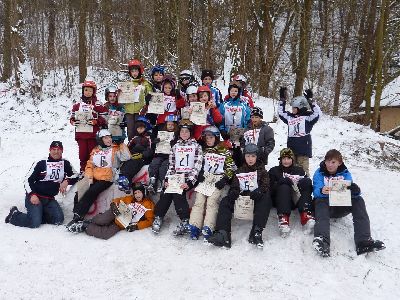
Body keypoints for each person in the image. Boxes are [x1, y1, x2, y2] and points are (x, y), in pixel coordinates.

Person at [312, 149, 385, 257]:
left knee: (358, 200)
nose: (330, 165)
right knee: (320, 201)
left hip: (340, 205)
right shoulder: (319, 173)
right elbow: (316, 191)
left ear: (339, 163)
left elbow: (350, 190)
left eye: (333, 162)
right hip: (324, 206)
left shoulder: (345, 173)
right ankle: (322, 240)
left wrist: (355, 191)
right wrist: (321, 190)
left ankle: (363, 241)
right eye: (328, 161)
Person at [207, 144, 272, 249]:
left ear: (257, 157)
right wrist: (234, 192)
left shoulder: (262, 171)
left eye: (253, 156)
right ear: (244, 157)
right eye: (248, 156)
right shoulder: (240, 170)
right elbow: (235, 185)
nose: (250, 159)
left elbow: (266, 185)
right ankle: (223, 234)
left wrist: (260, 190)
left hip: (255, 201)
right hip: (241, 201)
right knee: (225, 201)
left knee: (266, 198)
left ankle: (257, 231)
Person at [66, 129, 131, 231]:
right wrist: (89, 177)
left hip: (107, 178)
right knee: (79, 192)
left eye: (109, 137)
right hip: (94, 177)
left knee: (91, 192)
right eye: (105, 138)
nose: (109, 139)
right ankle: (76, 217)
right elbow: (89, 165)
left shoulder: (115, 148)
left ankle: (79, 217)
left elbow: (126, 157)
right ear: (100, 140)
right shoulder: (95, 150)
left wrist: (121, 144)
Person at [5, 141, 79, 228]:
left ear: (62, 151)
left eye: (58, 149)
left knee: (58, 220)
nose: (56, 152)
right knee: (34, 223)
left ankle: (38, 214)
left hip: (50, 199)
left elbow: (76, 175)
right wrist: (32, 195)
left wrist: (67, 181)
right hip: (36, 197)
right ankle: (14, 215)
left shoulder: (65, 163)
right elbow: (28, 180)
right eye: (53, 149)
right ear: (49, 150)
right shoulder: (41, 162)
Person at [151, 119, 203, 235]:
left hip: (190, 176)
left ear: (190, 133)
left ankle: (185, 220)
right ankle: (159, 216)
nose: (184, 134)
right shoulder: (175, 146)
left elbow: (197, 167)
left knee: (178, 192)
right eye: (182, 132)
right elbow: (171, 165)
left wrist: (189, 182)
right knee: (167, 190)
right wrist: (167, 179)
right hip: (176, 176)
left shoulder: (197, 146)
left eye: (187, 132)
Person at [188, 126, 235, 240]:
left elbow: (231, 167)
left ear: (216, 138)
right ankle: (194, 225)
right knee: (199, 201)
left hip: (217, 179)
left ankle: (208, 226)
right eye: (206, 137)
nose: (208, 139)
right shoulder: (203, 151)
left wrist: (225, 179)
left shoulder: (224, 151)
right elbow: (198, 164)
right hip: (205, 178)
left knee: (212, 202)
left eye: (211, 137)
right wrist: (199, 174)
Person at [67, 183, 154, 239]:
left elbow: (149, 221)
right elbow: (116, 200)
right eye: (135, 193)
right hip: (116, 212)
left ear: (143, 193)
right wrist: (113, 205)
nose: (137, 195)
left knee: (106, 234)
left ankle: (85, 226)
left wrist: (136, 226)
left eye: (139, 192)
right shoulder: (129, 198)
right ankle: (90, 221)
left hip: (122, 223)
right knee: (102, 220)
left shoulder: (148, 205)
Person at [268, 148, 314, 237]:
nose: (286, 161)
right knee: (284, 187)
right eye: (284, 159)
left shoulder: (299, 170)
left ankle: (305, 214)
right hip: (280, 200)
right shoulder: (274, 171)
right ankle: (283, 219)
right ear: (280, 160)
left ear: (292, 159)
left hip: (296, 200)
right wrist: (279, 183)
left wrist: (301, 182)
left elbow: (308, 188)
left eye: (288, 158)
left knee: (307, 181)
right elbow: (269, 189)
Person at [278, 87, 321, 176]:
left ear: (301, 108)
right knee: (290, 172)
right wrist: (282, 99)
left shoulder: (308, 118)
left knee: (303, 172)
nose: (292, 110)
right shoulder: (290, 117)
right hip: (291, 150)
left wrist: (311, 101)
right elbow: (281, 113)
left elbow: (318, 114)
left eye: (294, 108)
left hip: (303, 151)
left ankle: (305, 187)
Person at [70, 79, 108, 172]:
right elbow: (72, 117)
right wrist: (73, 122)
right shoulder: (77, 105)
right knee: (82, 155)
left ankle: (94, 172)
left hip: (93, 135)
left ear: (93, 92)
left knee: (93, 155)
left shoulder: (97, 104)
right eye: (86, 90)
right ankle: (83, 172)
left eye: (90, 90)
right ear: (83, 90)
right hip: (81, 135)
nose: (88, 92)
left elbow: (105, 117)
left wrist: (96, 121)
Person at [118, 116, 153, 193]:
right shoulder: (134, 138)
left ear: (145, 128)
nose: (140, 130)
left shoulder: (149, 137)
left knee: (133, 164)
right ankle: (124, 181)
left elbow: (150, 150)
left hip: (142, 158)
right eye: (138, 128)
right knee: (126, 164)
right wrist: (127, 153)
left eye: (142, 128)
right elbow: (128, 147)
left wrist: (142, 155)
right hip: (133, 156)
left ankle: (126, 182)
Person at [147, 114, 179, 193]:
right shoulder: (161, 133)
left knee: (163, 167)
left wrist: (173, 143)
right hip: (160, 154)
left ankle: (162, 183)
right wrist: (156, 141)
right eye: (168, 124)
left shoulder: (177, 135)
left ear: (175, 125)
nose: (170, 126)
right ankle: (152, 182)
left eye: (172, 125)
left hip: (170, 156)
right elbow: (153, 144)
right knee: (154, 164)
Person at [123, 59, 152, 141]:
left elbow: (150, 96)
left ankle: (140, 147)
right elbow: (121, 97)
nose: (134, 73)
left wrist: (148, 97)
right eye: (132, 71)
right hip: (129, 111)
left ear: (140, 71)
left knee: (139, 130)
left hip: (140, 110)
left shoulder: (145, 83)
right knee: (130, 131)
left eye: (136, 71)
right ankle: (131, 147)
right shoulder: (127, 84)